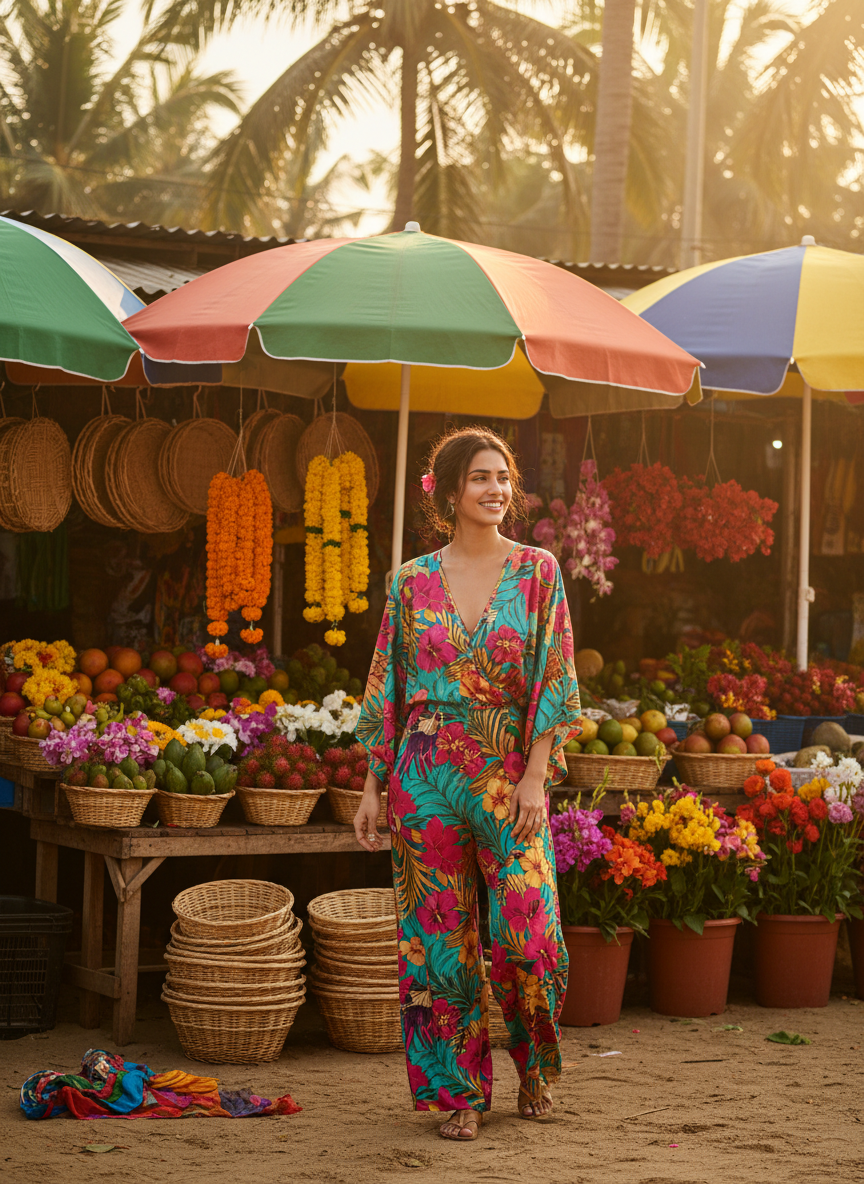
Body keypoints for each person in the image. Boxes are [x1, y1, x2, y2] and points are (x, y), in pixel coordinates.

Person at [354, 425, 581, 1142]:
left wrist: (536, 776)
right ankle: (456, 1093)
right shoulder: (409, 580)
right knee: (436, 943)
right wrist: (371, 785)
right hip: (423, 777)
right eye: (481, 478)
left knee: (526, 932)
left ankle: (535, 1072)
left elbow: (554, 675)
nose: (495, 490)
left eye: (504, 478)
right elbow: (385, 691)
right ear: (450, 490)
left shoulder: (539, 572)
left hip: (509, 773)